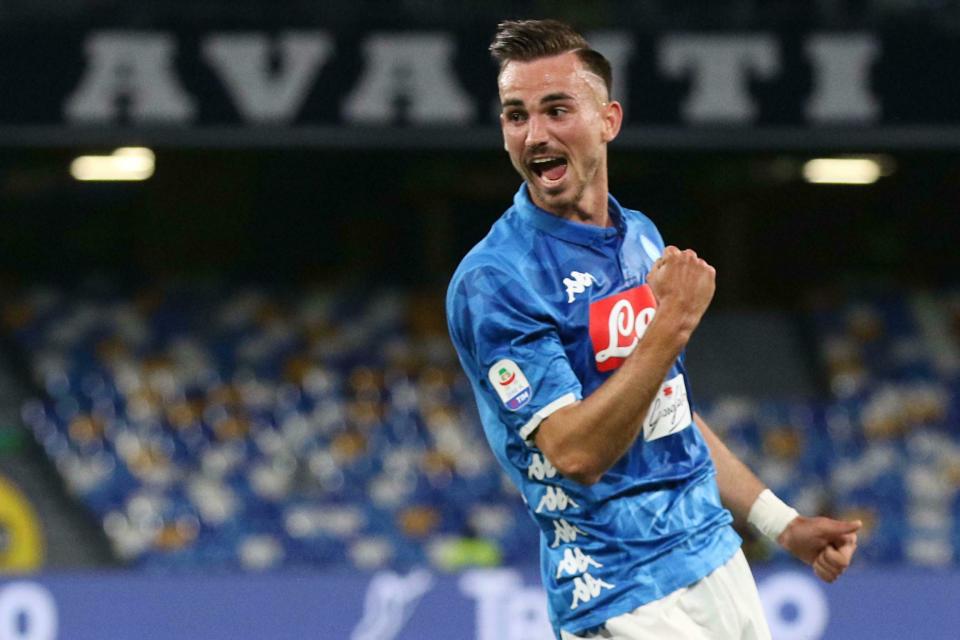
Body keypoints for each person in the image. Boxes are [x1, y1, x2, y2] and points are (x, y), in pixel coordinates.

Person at [445, 18, 861, 640]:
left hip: (715, 561)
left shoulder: (638, 234)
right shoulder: (499, 278)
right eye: (515, 115)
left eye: (557, 110)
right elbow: (575, 454)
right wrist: (671, 325)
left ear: (608, 120)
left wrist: (781, 524)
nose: (535, 135)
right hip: (620, 592)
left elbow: (668, 409)